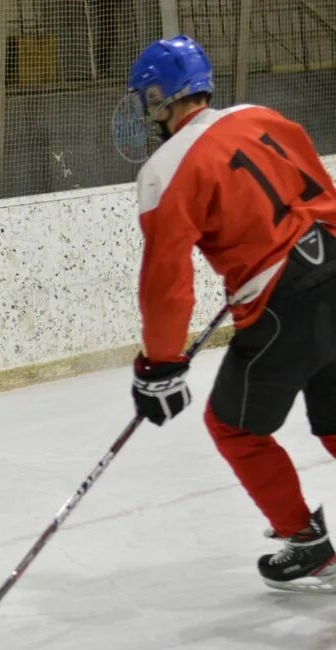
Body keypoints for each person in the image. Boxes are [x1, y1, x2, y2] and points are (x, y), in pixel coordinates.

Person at [124, 35, 336, 592]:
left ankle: (308, 544)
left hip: (283, 307)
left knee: (234, 427)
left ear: (158, 98)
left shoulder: (164, 168)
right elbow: (318, 191)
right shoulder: (262, 115)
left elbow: (166, 282)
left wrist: (160, 364)